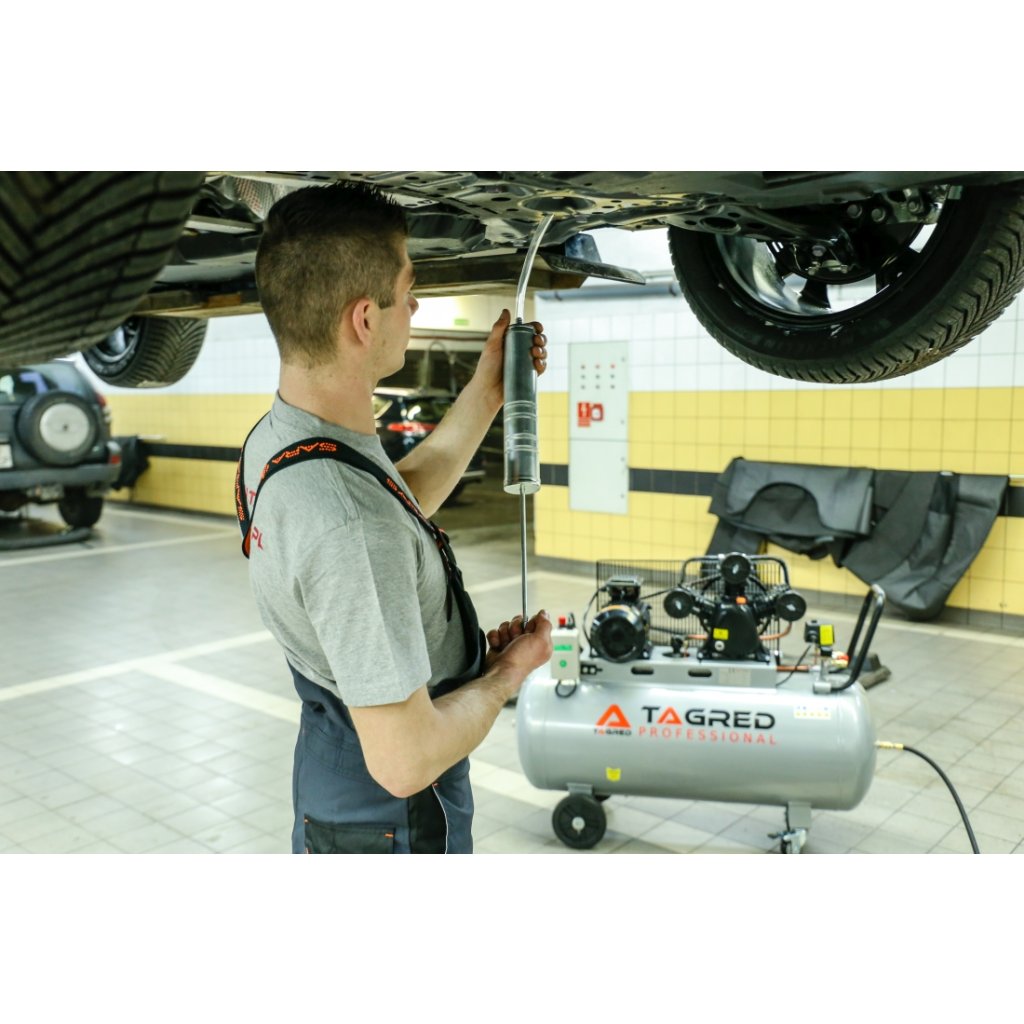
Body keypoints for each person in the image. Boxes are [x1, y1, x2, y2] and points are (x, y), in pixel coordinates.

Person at [235, 181, 553, 854]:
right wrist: (505, 675)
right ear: (364, 320)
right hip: (391, 820)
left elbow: (394, 501)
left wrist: (487, 391)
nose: (414, 306)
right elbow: (406, 760)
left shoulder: (281, 438)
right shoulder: (351, 529)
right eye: (408, 290)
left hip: (336, 778)